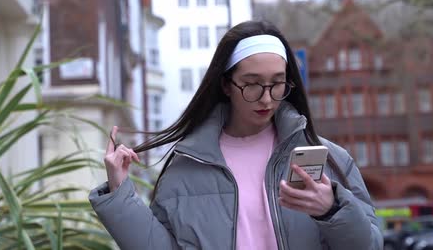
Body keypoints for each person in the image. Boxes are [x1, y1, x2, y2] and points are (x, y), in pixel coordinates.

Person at [89, 20, 382, 249]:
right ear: (227, 85)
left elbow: (370, 245)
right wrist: (119, 192)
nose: (267, 99)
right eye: (252, 84)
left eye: (277, 83)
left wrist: (331, 210)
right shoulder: (186, 167)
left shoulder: (332, 160)